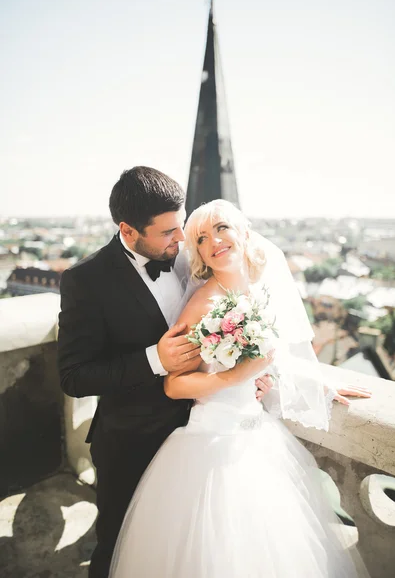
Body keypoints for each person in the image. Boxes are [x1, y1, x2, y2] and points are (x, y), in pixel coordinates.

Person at [108, 199, 372, 578]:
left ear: (243, 233)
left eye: (221, 229)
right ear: (197, 252)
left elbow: (272, 357)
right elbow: (173, 384)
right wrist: (232, 378)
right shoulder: (203, 302)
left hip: (259, 438)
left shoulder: (260, 291)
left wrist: (318, 383)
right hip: (209, 441)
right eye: (201, 238)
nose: (213, 240)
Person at [57, 167, 272, 578]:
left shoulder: (191, 257)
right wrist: (155, 359)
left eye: (182, 225)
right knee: (121, 548)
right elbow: (74, 376)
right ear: (128, 230)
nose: (182, 240)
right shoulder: (85, 281)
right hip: (132, 442)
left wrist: (245, 372)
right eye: (168, 233)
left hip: (203, 438)